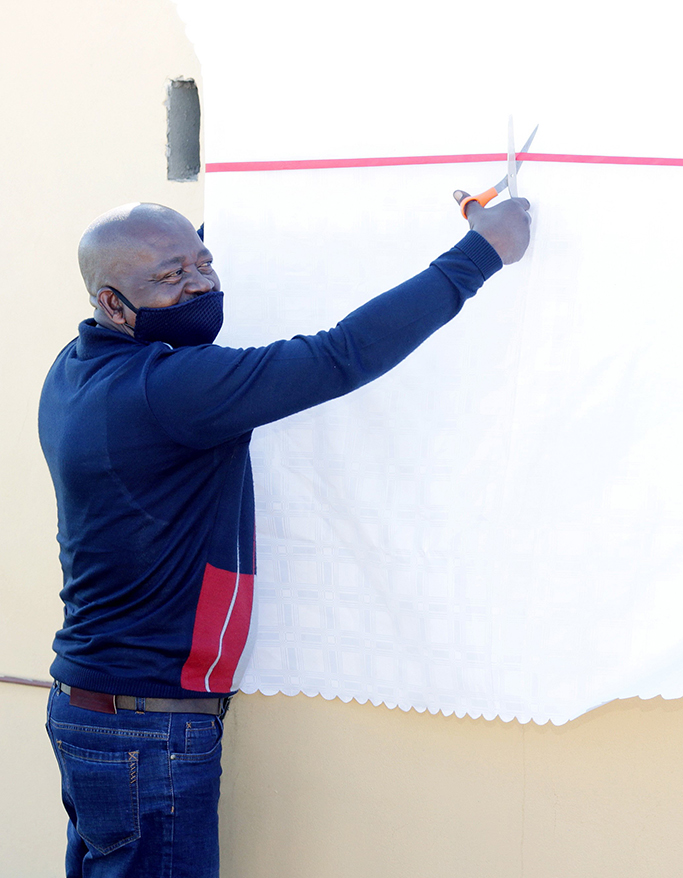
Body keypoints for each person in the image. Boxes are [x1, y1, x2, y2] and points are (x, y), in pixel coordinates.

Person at [38, 191, 532, 878]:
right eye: (170, 277)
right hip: (146, 732)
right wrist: (481, 254)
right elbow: (338, 357)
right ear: (114, 303)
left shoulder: (76, 368)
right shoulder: (171, 389)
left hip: (96, 713)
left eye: (203, 262)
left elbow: (173, 261)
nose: (200, 283)